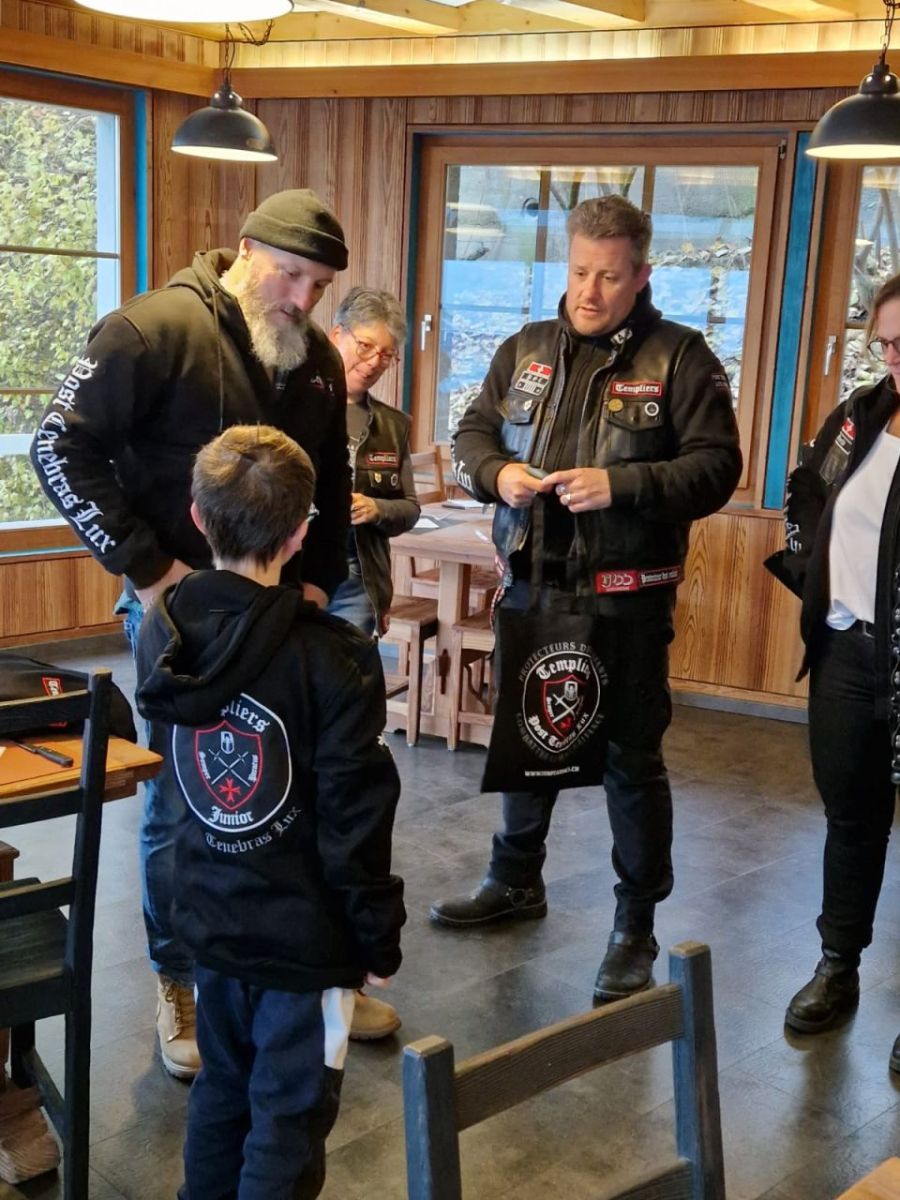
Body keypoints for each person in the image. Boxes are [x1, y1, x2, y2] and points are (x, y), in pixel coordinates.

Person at [29, 189, 355, 1076]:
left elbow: (332, 478)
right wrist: (149, 570)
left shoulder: (318, 358)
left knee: (299, 792)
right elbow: (57, 448)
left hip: (287, 613)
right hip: (181, 613)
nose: (301, 298)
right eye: (289, 274)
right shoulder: (151, 331)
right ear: (244, 250)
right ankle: (178, 978)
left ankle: (310, 969)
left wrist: (321, 580)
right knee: (183, 802)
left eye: (319, 285)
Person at [430, 195, 742, 1003]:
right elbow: (471, 435)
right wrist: (497, 473)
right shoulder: (526, 348)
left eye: (608, 276)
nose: (589, 291)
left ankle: (635, 926)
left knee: (631, 763)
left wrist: (622, 485)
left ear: (641, 275)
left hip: (626, 598)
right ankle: (514, 881)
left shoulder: (681, 357)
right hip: (532, 581)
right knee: (527, 741)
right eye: (577, 272)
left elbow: (717, 469)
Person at [135, 425, 405, 1200]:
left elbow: (182, 784)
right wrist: (376, 936)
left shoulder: (165, 632)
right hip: (306, 945)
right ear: (299, 533)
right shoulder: (335, 655)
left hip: (210, 921)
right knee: (289, 1119)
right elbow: (355, 822)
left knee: (221, 1091)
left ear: (197, 517)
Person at [766, 274, 900, 1073]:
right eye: (885, 343)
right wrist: (816, 574)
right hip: (849, 652)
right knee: (851, 818)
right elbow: (808, 489)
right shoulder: (861, 413)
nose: (894, 357)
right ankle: (837, 967)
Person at [327, 286, 420, 638]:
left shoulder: (392, 425)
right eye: (365, 346)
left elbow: (409, 509)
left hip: (357, 579)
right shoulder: (296, 406)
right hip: (292, 568)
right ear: (337, 335)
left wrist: (376, 508)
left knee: (349, 669)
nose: (373, 363)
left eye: (386, 355)